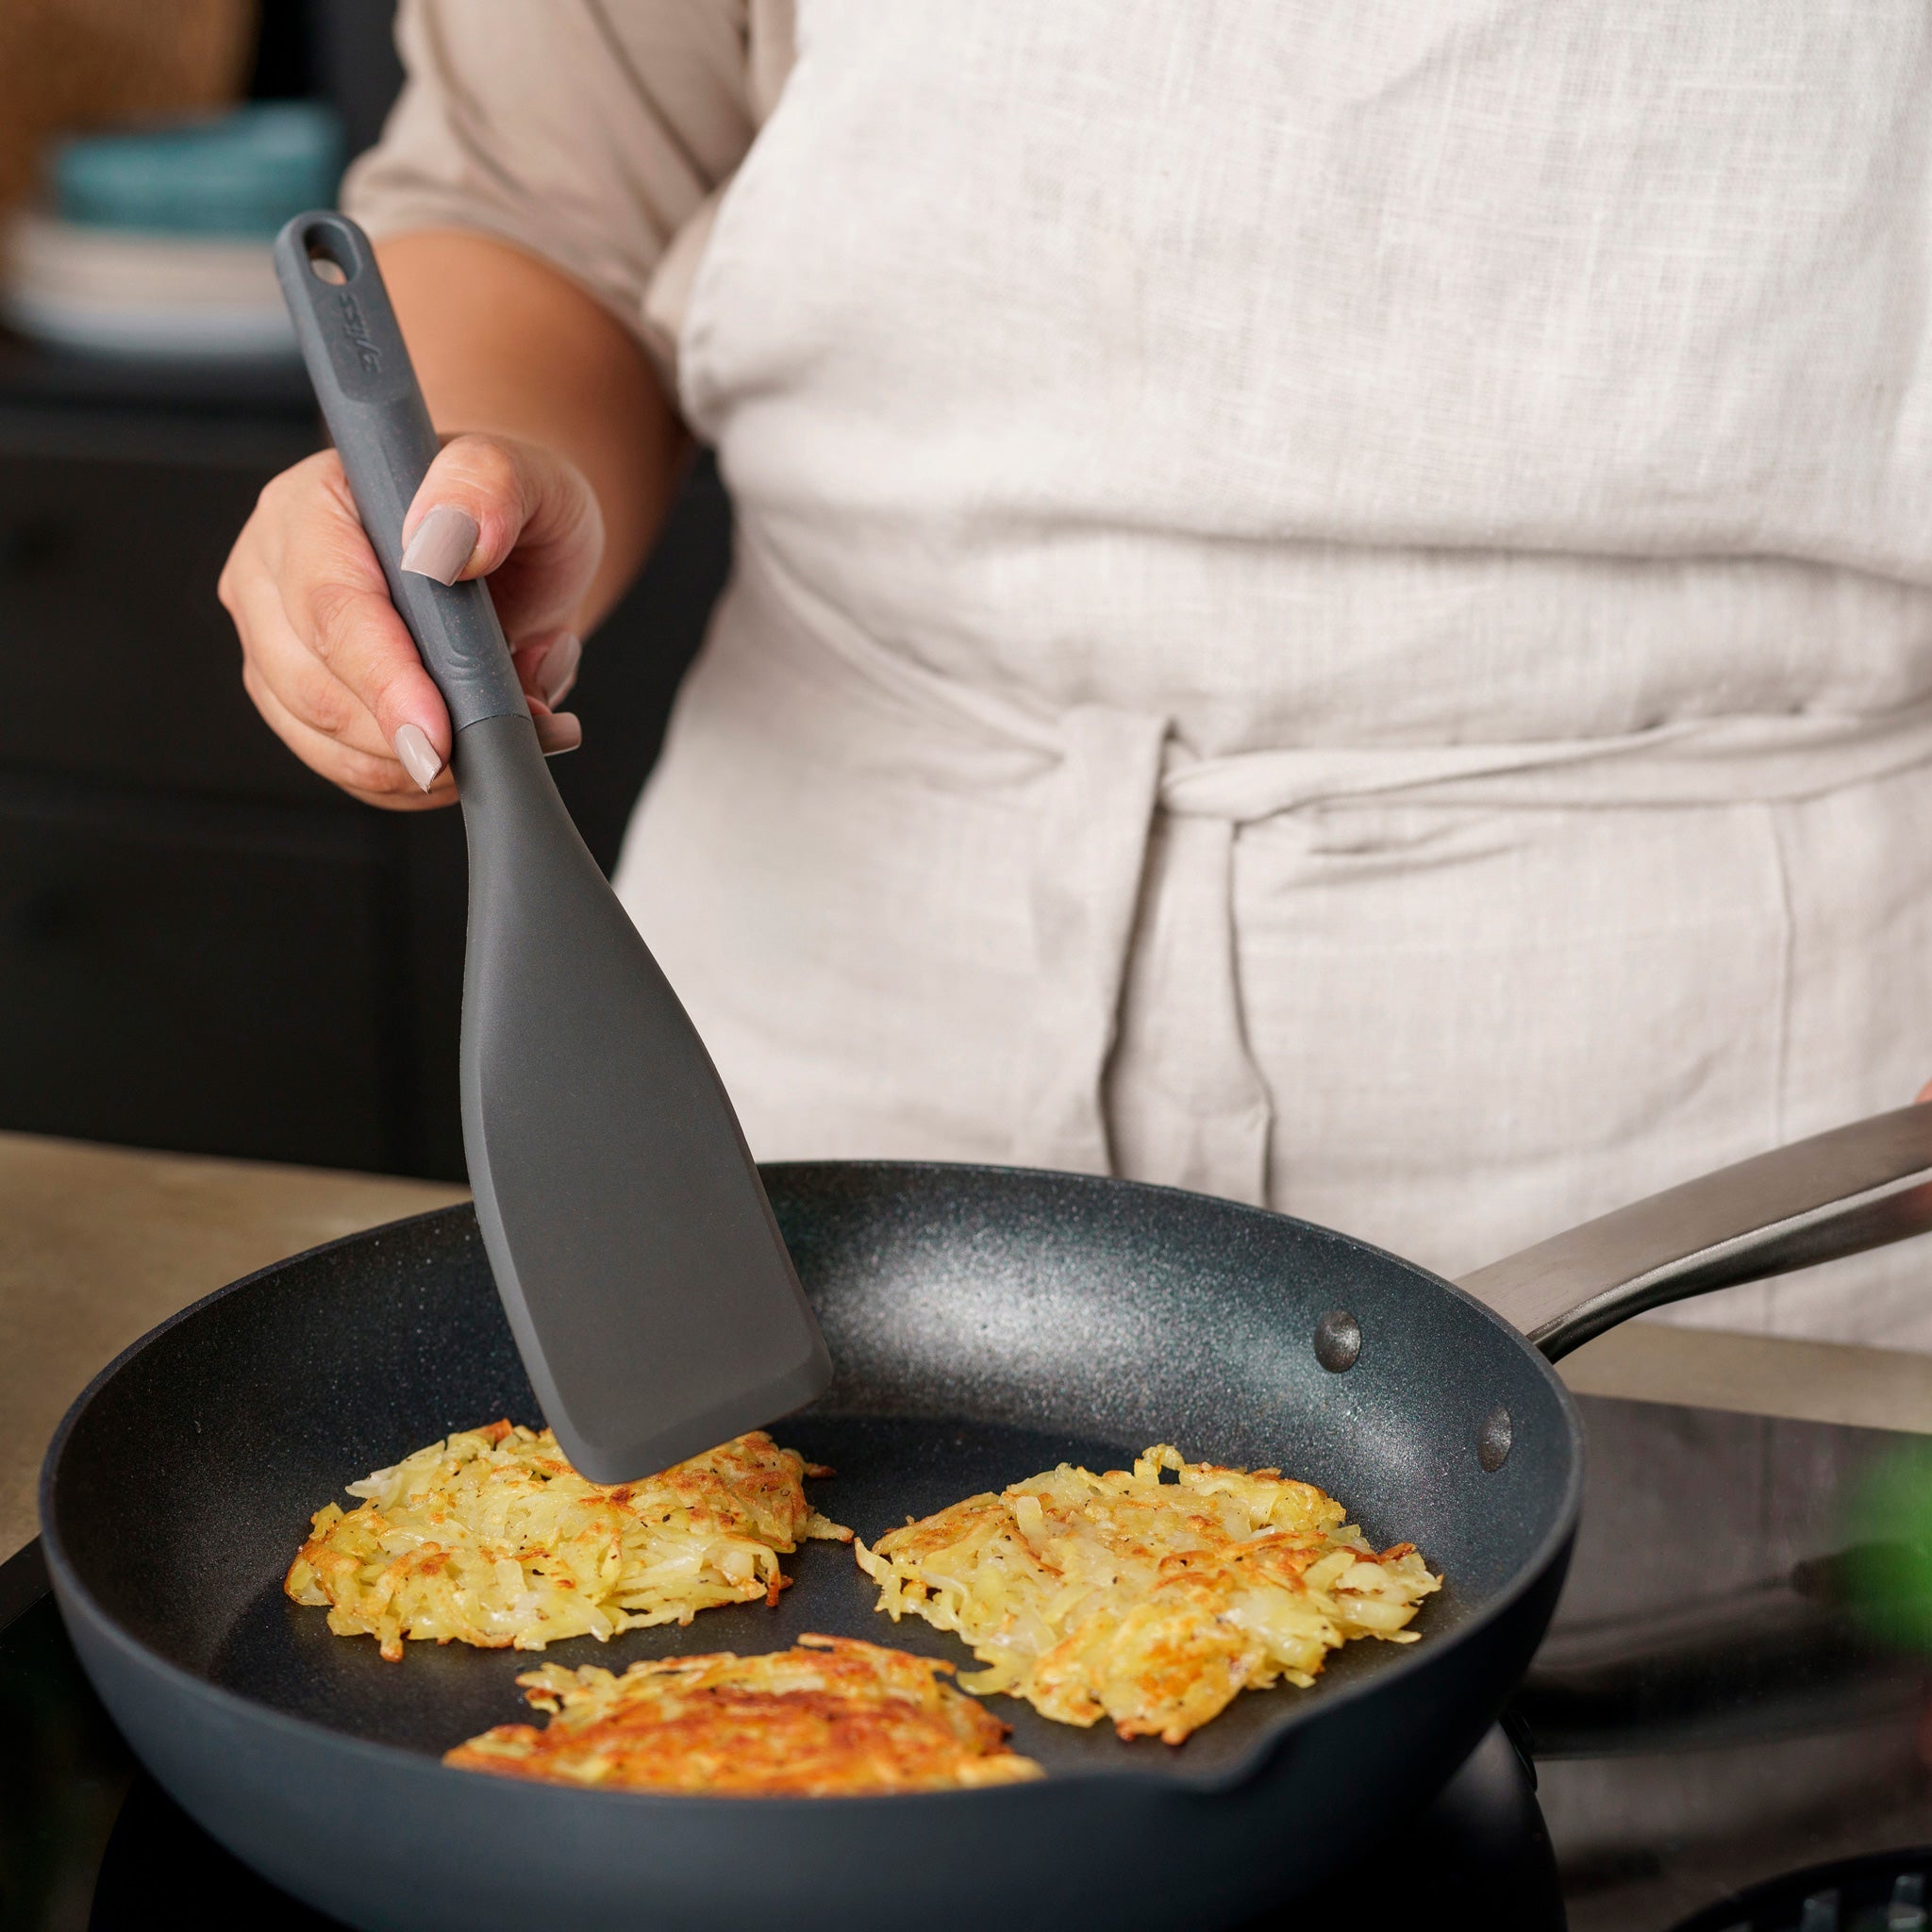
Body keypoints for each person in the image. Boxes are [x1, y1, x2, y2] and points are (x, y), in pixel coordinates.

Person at [221, 2, 1932, 1347]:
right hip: (832, 1009)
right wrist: (474, 480)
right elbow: (548, 202)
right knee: (737, 1709)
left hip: (1751, 1101)